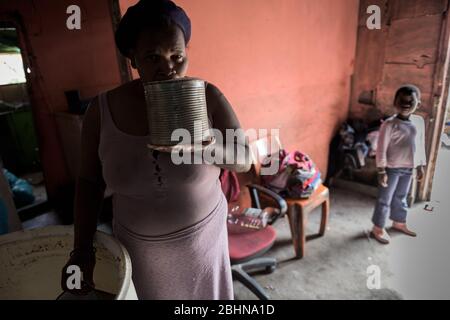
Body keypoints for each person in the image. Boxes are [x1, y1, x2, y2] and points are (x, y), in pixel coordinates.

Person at [61, 0, 251, 299]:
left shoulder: (207, 97)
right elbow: (89, 182)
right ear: (133, 60)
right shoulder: (102, 112)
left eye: (177, 55)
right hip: (139, 252)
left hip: (203, 245)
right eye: (152, 57)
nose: (168, 69)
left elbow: (244, 158)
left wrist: (203, 146)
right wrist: (82, 249)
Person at [370, 85, 426, 244]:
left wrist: (420, 165)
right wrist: (381, 171)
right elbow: (381, 149)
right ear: (394, 102)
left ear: (418, 104)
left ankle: (399, 222)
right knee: (384, 198)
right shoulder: (389, 124)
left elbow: (420, 144)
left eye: (411, 101)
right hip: (391, 169)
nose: (406, 104)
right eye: (402, 100)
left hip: (408, 168)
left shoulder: (418, 122)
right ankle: (378, 228)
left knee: (401, 197)